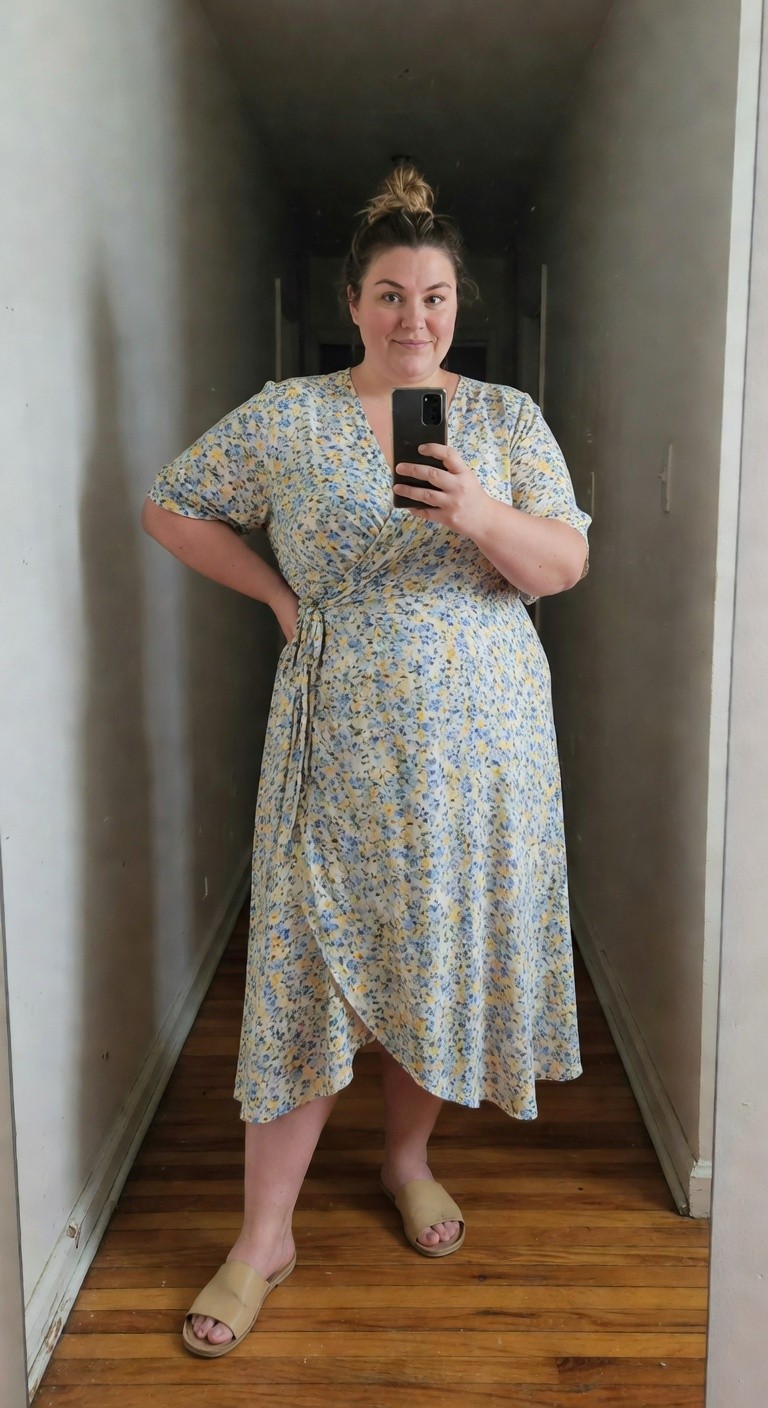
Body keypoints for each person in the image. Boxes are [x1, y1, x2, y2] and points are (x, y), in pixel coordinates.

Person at [141, 165, 591, 1358]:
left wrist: (479, 514)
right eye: (390, 294)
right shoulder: (285, 415)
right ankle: (262, 1236)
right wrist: (281, 596)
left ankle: (406, 1159)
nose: (414, 320)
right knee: (305, 957)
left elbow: (562, 568)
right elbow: (174, 506)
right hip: (336, 734)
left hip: (484, 745)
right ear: (352, 300)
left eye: (435, 296)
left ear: (458, 305)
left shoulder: (503, 421)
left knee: (435, 946)